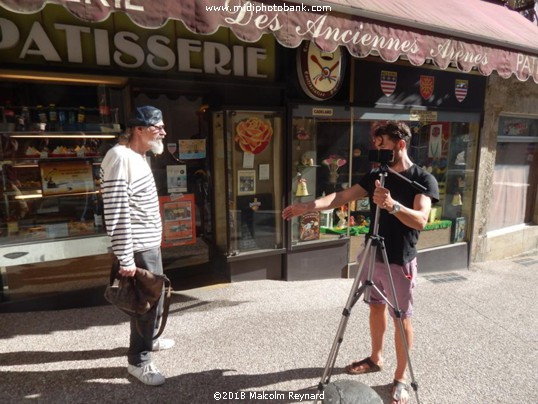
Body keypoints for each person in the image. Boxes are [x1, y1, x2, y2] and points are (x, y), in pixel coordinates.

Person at [282, 122, 439, 403]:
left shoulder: (422, 179)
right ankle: (376, 358)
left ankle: (401, 377)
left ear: (400, 144)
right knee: (375, 308)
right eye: (376, 145)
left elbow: (421, 219)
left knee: (401, 318)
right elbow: (342, 196)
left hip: (399, 259)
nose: (377, 150)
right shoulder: (377, 175)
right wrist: (308, 206)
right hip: (372, 254)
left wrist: (393, 205)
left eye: (383, 145)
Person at [101, 106, 174, 386]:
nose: (164, 132)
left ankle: (150, 339)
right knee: (146, 304)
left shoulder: (138, 156)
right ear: (139, 129)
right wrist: (125, 258)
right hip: (137, 248)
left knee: (153, 299)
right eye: (158, 127)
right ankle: (138, 360)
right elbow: (116, 210)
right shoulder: (120, 157)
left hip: (147, 244)